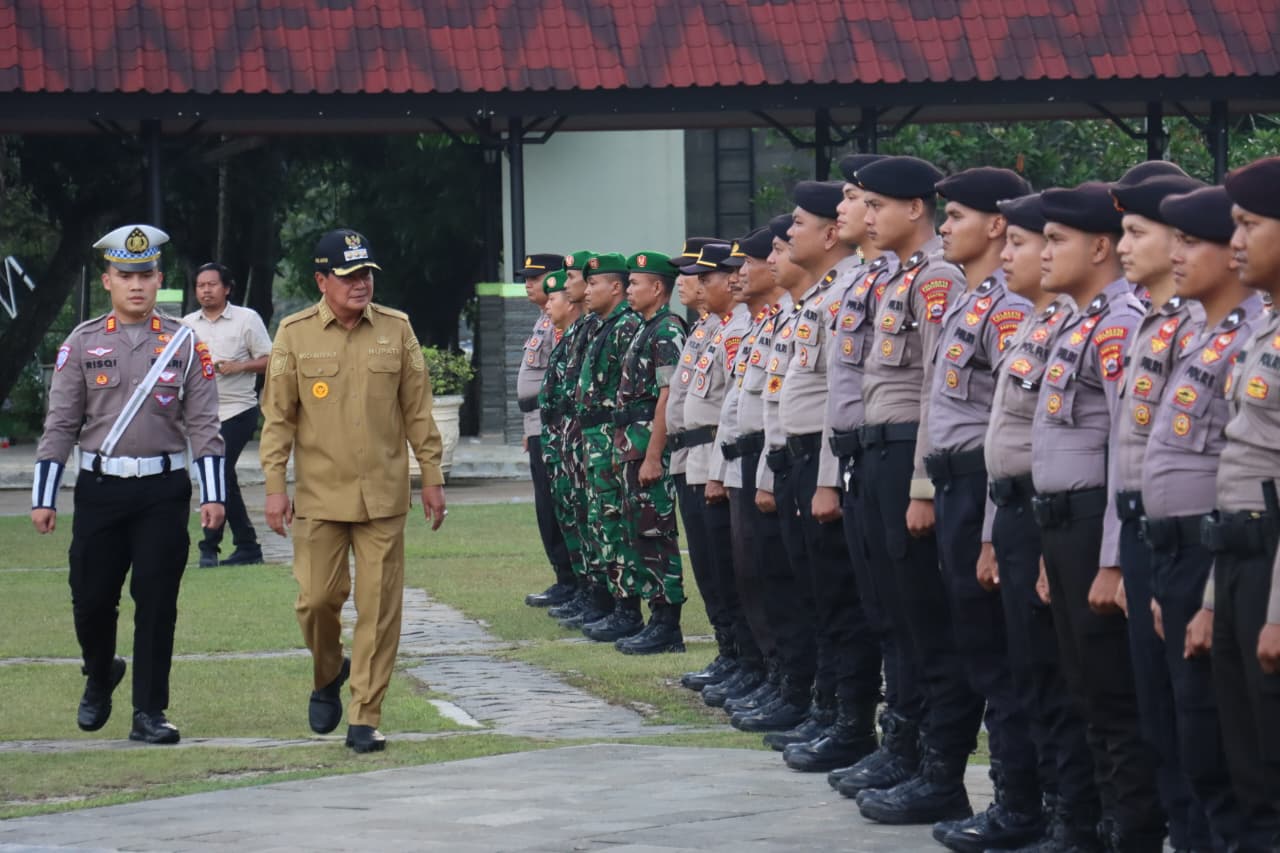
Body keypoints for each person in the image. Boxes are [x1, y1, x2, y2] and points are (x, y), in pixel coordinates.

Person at [31, 224, 226, 745]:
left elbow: (205, 424)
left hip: (163, 491)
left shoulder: (186, 344)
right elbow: (60, 425)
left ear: (158, 278)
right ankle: (100, 672)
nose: (136, 284)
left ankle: (149, 712)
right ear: (107, 281)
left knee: (157, 600)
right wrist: (43, 497)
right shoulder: (83, 342)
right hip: (100, 489)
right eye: (125, 275)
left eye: (145, 274)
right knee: (91, 599)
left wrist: (213, 494)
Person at [259, 228, 446, 754]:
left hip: (384, 496)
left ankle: (365, 715)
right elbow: (277, 419)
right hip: (319, 496)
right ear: (322, 281)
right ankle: (327, 672)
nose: (360, 284)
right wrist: (275, 487)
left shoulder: (396, 328)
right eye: (347, 276)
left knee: (379, 607)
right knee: (317, 601)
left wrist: (430, 476)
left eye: (365, 274)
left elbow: (418, 411)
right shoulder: (293, 334)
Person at [1030, 184, 1162, 851]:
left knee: (1111, 691)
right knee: (1082, 687)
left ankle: (1129, 830)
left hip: (1093, 522)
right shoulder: (1077, 319)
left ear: (1099, 246)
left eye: (1057, 240)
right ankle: (1094, 822)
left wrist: (1111, 557)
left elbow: (1124, 449)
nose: (1043, 252)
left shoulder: (1116, 324)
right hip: (1062, 524)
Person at [851, 155, 982, 826]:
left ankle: (939, 770)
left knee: (926, 621)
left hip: (910, 453)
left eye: (876, 205)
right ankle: (905, 750)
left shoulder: (935, 280)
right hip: (880, 452)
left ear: (913, 210)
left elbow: (939, 388)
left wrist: (924, 480)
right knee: (894, 613)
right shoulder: (895, 278)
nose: (866, 217)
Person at [924, 167, 1046, 853]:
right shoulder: (969, 301)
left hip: (985, 490)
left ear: (996, 224)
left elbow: (1015, 422)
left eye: (956, 215)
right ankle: (1013, 797)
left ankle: (1020, 801)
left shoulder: (1010, 308)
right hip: (955, 485)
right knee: (975, 644)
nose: (944, 227)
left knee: (1002, 655)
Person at [1140, 185, 1257, 849]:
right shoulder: (1196, 332)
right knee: (1179, 729)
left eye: (1191, 240)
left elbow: (1240, 473)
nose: (1174, 254)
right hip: (1177, 551)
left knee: (1217, 739)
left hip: (1217, 552)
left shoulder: (1245, 341)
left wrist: (1211, 587)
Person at [983, 192, 1101, 851]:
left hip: (1069, 518)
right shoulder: (1042, 321)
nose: (1016, 255)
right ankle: (1050, 811)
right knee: (1031, 672)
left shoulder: (1092, 325)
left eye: (1030, 243)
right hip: (1021, 512)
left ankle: (1078, 819)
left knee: (1073, 682)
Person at [1105, 172, 1213, 851]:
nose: (1123, 245)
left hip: (1196, 540)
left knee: (1195, 711)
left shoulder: (1200, 330)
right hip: (1146, 532)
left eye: (1136, 231)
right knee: (1158, 709)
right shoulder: (1153, 321)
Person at [772, 179, 882, 761]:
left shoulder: (847, 293)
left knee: (842, 599)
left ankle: (852, 722)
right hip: (801, 453)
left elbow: (849, 392)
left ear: (831, 233)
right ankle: (829, 710)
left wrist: (825, 476)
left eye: (798, 223)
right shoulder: (819, 298)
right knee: (816, 595)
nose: (788, 234)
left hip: (828, 453)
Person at [1189, 155, 1280, 850]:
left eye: (1249, 224)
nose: (1235, 240)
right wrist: (1217, 598)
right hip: (1240, 559)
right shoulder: (1261, 328)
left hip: (1273, 574)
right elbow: (1238, 474)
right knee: (1244, 754)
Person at [611, 251, 688, 653]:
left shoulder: (666, 331)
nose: (628, 290)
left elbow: (667, 396)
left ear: (657, 288)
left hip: (648, 449)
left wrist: (655, 455)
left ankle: (667, 623)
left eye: (635, 284)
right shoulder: (646, 328)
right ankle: (653, 615)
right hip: (632, 448)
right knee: (637, 533)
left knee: (656, 532)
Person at [574, 252, 645, 641]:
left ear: (614, 287)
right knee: (602, 521)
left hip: (613, 436)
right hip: (595, 437)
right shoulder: (603, 326)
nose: (586, 291)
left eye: (594, 283)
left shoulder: (626, 326)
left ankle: (628, 608)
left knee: (619, 522)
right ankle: (615, 602)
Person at [182, 262, 272, 568]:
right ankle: (247, 545)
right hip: (201, 414)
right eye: (200, 286)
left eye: (212, 285)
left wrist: (239, 366)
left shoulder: (247, 319)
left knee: (217, 472)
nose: (206, 290)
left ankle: (209, 547)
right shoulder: (186, 325)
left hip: (238, 409)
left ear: (227, 288)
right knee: (223, 475)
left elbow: (271, 359)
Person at [515, 253, 577, 609]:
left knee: (557, 505)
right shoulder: (543, 320)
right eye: (526, 278)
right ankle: (562, 578)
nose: (528, 283)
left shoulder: (559, 323)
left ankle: (570, 580)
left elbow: (559, 378)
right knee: (545, 506)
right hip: (536, 423)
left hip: (551, 424)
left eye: (535, 278)